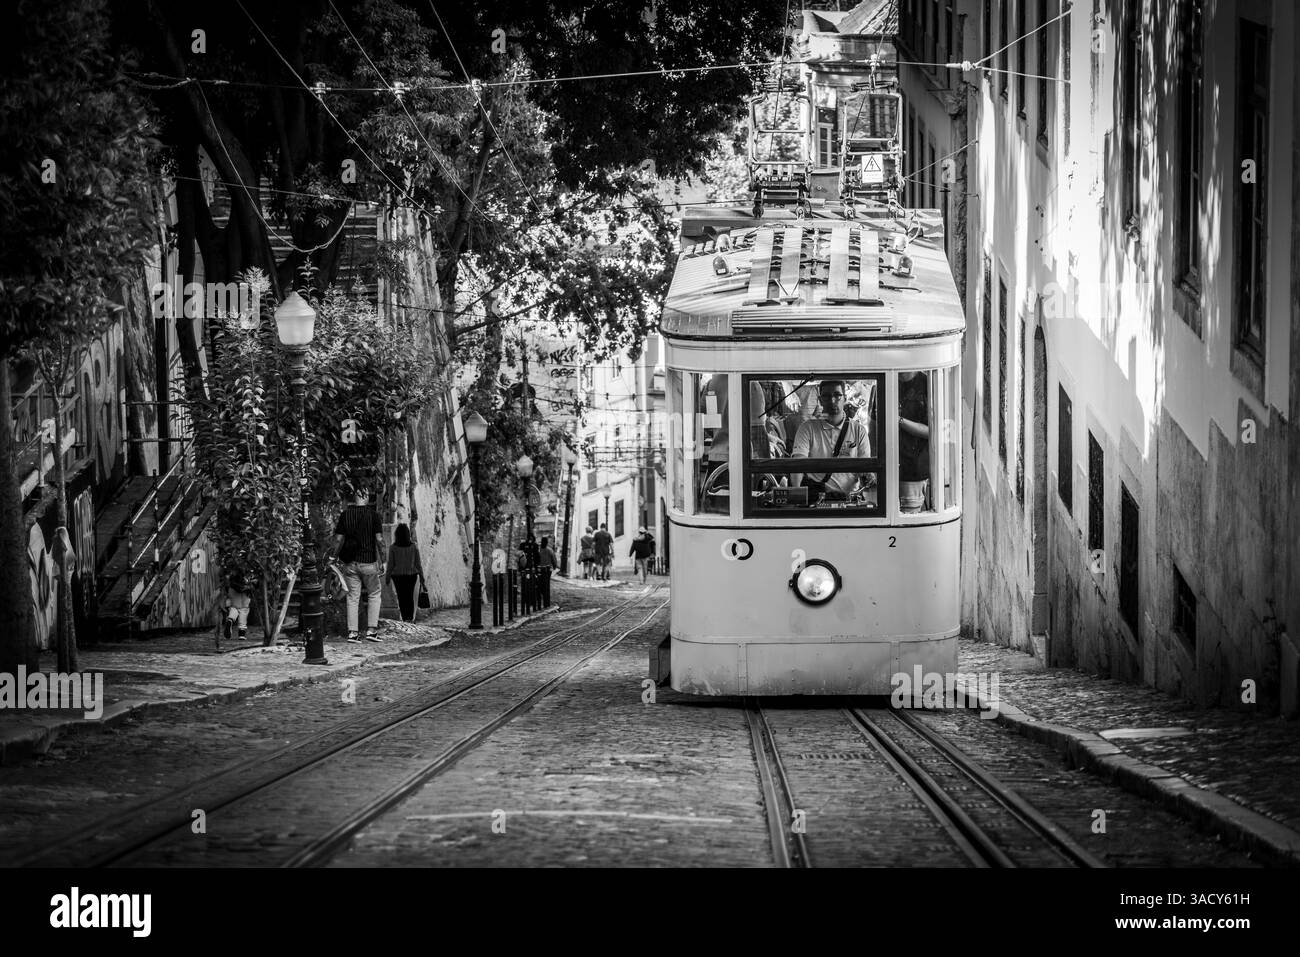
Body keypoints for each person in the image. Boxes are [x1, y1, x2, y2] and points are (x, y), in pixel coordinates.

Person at [789, 380, 874, 500]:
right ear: (820, 400)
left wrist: (867, 475)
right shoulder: (807, 428)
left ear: (845, 398)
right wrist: (796, 496)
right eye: (826, 396)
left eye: (837, 395)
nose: (832, 401)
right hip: (817, 497)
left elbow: (865, 466)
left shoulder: (858, 430)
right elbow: (798, 464)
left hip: (848, 499)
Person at [329, 486, 386, 643]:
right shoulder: (373, 516)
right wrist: (384, 561)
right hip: (368, 563)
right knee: (374, 593)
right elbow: (380, 540)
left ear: (354, 497)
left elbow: (339, 539)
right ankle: (371, 631)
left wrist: (333, 558)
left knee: (353, 597)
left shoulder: (345, 515)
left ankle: (353, 633)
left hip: (350, 564)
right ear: (366, 496)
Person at [899, 371, 931, 512]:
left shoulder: (927, 384)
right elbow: (874, 424)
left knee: (908, 517)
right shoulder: (884, 377)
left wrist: (899, 421)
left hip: (913, 469)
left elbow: (932, 431)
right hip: (885, 467)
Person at [384, 523, 425, 623]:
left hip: (397, 576)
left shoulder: (393, 548)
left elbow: (391, 564)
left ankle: (404, 617)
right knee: (409, 596)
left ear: (397, 535)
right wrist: (422, 578)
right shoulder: (414, 547)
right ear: (408, 534)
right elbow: (418, 564)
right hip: (411, 576)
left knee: (401, 596)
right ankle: (410, 618)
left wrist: (387, 577)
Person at [222, 571, 251, 642]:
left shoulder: (231, 581)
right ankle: (241, 634)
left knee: (233, 611)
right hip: (244, 602)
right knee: (242, 619)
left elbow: (226, 591)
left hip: (234, 599)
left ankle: (230, 620)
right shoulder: (248, 581)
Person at [537, 536, 558, 606]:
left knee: (540, 585)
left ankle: (541, 602)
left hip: (541, 570)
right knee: (546, 586)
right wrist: (555, 566)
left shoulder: (539, 550)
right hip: (546, 570)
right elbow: (554, 560)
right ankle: (546, 602)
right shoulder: (549, 550)